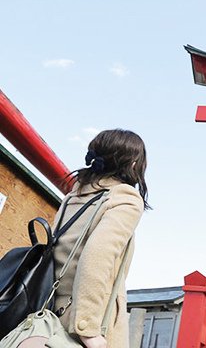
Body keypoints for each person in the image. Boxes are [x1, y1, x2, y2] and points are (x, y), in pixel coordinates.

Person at [52, 129, 149, 348]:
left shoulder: (72, 197)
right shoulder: (124, 198)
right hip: (89, 321)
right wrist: (89, 330)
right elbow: (97, 257)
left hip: (49, 316)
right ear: (133, 164)